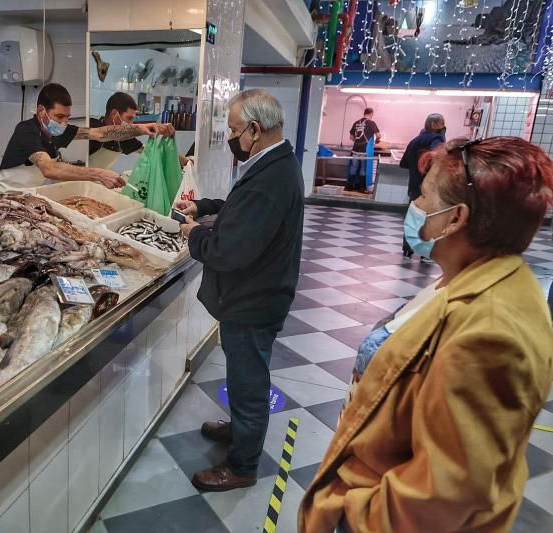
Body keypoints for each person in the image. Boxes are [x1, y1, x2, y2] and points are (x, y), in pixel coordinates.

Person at [299, 136, 553, 532]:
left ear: (456, 218)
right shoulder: (464, 279)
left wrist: (353, 510)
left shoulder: (492, 334)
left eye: (425, 196)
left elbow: (443, 496)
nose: (415, 205)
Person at [176, 89, 304, 491]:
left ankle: (242, 466)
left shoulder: (272, 176)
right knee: (243, 372)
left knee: (249, 383)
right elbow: (243, 210)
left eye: (233, 129)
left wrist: (195, 235)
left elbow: (231, 250)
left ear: (254, 129)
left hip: (254, 300)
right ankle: (240, 431)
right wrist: (208, 206)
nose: (231, 137)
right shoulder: (275, 162)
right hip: (257, 294)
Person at [0, 83, 171, 193]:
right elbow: (49, 168)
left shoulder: (59, 131)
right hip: (5, 198)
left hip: (29, 197)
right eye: (59, 116)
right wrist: (98, 174)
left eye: (67, 117)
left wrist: (140, 129)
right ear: (41, 111)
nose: (64, 122)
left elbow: (100, 133)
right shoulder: (26, 131)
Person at [88, 92, 175, 170]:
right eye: (129, 118)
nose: (130, 123)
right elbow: (104, 133)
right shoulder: (92, 126)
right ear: (114, 114)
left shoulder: (124, 138)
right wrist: (142, 128)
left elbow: (148, 151)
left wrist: (180, 159)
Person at [400, 113, 446, 259]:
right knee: (429, 220)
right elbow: (438, 157)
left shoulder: (415, 140)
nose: (444, 127)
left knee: (412, 219)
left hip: (413, 187)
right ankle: (425, 254)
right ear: (433, 125)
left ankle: (407, 249)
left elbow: (404, 163)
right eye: (442, 124)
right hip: (429, 189)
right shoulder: (437, 139)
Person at [347, 108, 381, 192]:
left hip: (355, 150)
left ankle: (349, 186)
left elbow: (351, 137)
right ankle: (361, 188)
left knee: (354, 167)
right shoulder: (371, 123)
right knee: (363, 168)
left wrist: (358, 142)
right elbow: (378, 135)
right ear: (371, 114)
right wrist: (376, 141)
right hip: (365, 150)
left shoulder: (356, 123)